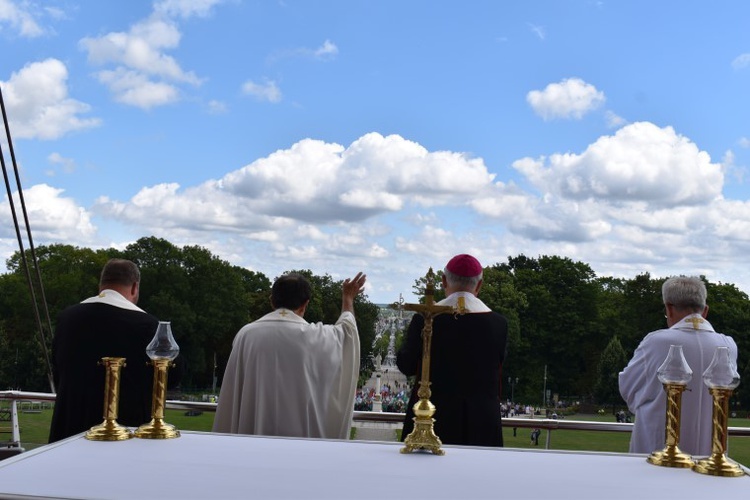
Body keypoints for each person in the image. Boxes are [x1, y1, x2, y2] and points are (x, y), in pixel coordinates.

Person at [212, 271, 366, 439]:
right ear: (305, 304)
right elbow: (347, 332)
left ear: (272, 301)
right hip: (302, 444)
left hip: (253, 441)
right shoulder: (317, 336)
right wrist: (348, 299)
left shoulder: (246, 335)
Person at [619, 276, 738, 456]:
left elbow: (628, 388)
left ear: (669, 308)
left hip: (657, 447)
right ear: (705, 311)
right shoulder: (728, 345)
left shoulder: (655, 342)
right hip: (711, 452)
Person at [396, 254, 508, 447]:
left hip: (433, 419)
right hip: (481, 422)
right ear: (479, 285)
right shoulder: (499, 324)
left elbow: (407, 365)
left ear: (443, 281)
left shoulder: (425, 318)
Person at [49, 258, 159, 443]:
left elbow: (58, 369)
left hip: (69, 427)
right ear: (134, 287)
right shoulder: (147, 325)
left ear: (101, 285)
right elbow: (169, 375)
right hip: (124, 432)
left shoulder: (67, 318)